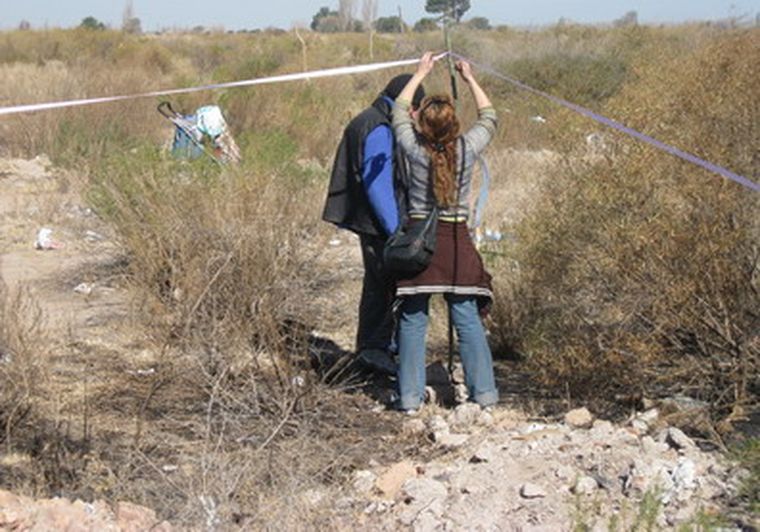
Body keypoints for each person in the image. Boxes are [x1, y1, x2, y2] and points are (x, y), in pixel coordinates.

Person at [391, 52, 499, 411]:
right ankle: (484, 396)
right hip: (456, 241)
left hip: (419, 242)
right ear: (454, 125)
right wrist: (469, 78)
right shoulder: (468, 149)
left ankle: (408, 400)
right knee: (466, 316)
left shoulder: (412, 148)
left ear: (420, 123)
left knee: (412, 319)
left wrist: (421, 72)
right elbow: (489, 116)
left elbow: (397, 110)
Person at [322, 74, 426, 375]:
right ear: (411, 107)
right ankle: (375, 351)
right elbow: (377, 185)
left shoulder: (369, 118)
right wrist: (397, 231)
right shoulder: (379, 127)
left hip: (369, 220)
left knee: (376, 285)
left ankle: (375, 348)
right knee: (384, 287)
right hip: (378, 224)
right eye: (415, 111)